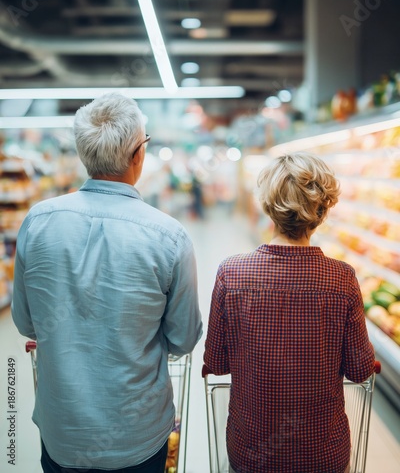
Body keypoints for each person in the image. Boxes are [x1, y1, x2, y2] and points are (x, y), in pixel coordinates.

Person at [12, 93, 203, 473]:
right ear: (138, 154)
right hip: (139, 438)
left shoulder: (37, 222)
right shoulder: (169, 236)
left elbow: (27, 323)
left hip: (62, 433)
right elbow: (183, 338)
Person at [203, 152, 375, 473]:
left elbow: (216, 363)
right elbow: (359, 370)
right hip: (323, 452)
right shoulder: (342, 278)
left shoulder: (231, 273)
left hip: (251, 450)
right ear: (322, 210)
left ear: (267, 205)